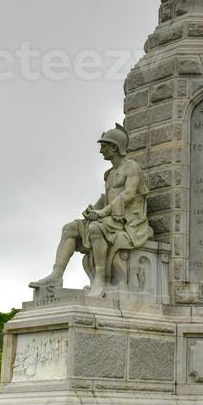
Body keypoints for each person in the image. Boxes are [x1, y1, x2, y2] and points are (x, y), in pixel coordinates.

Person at [29, 124, 152, 296]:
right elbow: (107, 196)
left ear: (115, 147)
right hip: (110, 217)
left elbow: (129, 194)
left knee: (96, 228)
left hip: (129, 221)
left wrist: (104, 212)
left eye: (104, 146)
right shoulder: (109, 174)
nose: (101, 150)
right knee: (69, 228)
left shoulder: (131, 167)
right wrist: (94, 209)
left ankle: (100, 280)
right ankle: (56, 275)